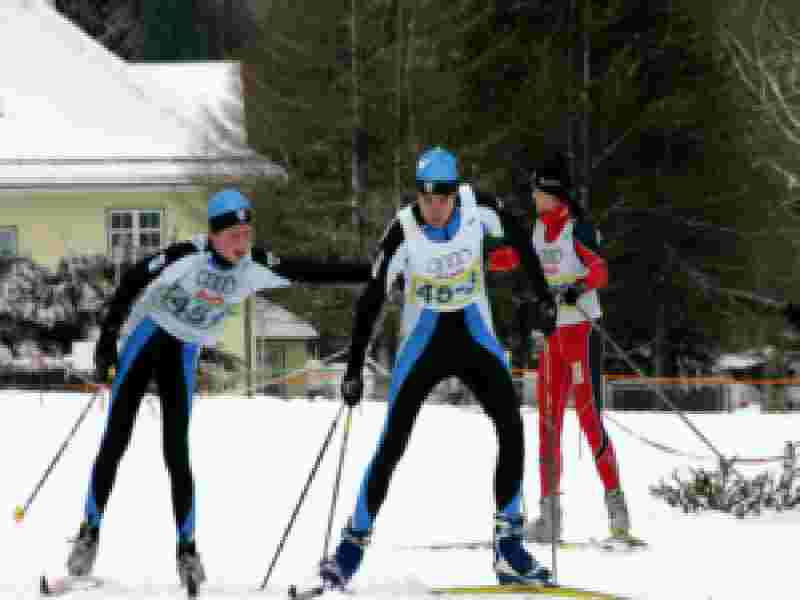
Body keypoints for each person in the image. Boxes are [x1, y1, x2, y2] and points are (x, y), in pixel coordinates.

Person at [66, 189, 371, 590]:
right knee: (115, 439)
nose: (242, 244)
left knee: (177, 451)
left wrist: (376, 272)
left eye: (247, 234)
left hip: (183, 351)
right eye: (234, 236)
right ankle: (89, 532)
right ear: (214, 236)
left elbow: (310, 270)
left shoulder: (253, 265)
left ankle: (187, 550)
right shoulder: (185, 256)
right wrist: (107, 343)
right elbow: (136, 279)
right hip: (149, 339)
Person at [310, 147, 558, 591]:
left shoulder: (478, 207)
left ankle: (509, 545)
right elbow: (371, 299)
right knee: (393, 441)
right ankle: (349, 549)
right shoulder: (403, 230)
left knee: (510, 424)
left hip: (474, 334)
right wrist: (353, 368)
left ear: (454, 192)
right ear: (417, 197)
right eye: (426, 198)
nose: (435, 207)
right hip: (425, 342)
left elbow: (519, 237)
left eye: (442, 197)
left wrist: (543, 297)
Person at [519, 153, 632, 543]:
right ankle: (549, 517)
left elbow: (600, 270)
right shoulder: (536, 230)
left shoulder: (578, 229)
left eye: (538, 191)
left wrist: (577, 287)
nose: (533, 197)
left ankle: (618, 514)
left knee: (589, 422)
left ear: (552, 192)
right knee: (547, 425)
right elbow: (515, 259)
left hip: (582, 334)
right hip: (553, 338)